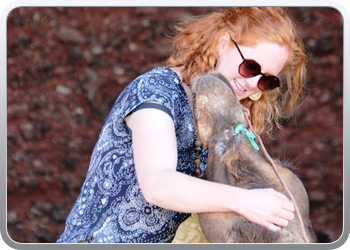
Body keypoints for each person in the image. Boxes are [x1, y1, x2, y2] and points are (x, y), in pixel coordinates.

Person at [56, 7, 308, 243]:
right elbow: (157, 185)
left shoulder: (223, 119)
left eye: (266, 80)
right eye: (250, 66)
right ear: (223, 42)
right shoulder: (156, 90)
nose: (253, 84)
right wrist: (245, 201)